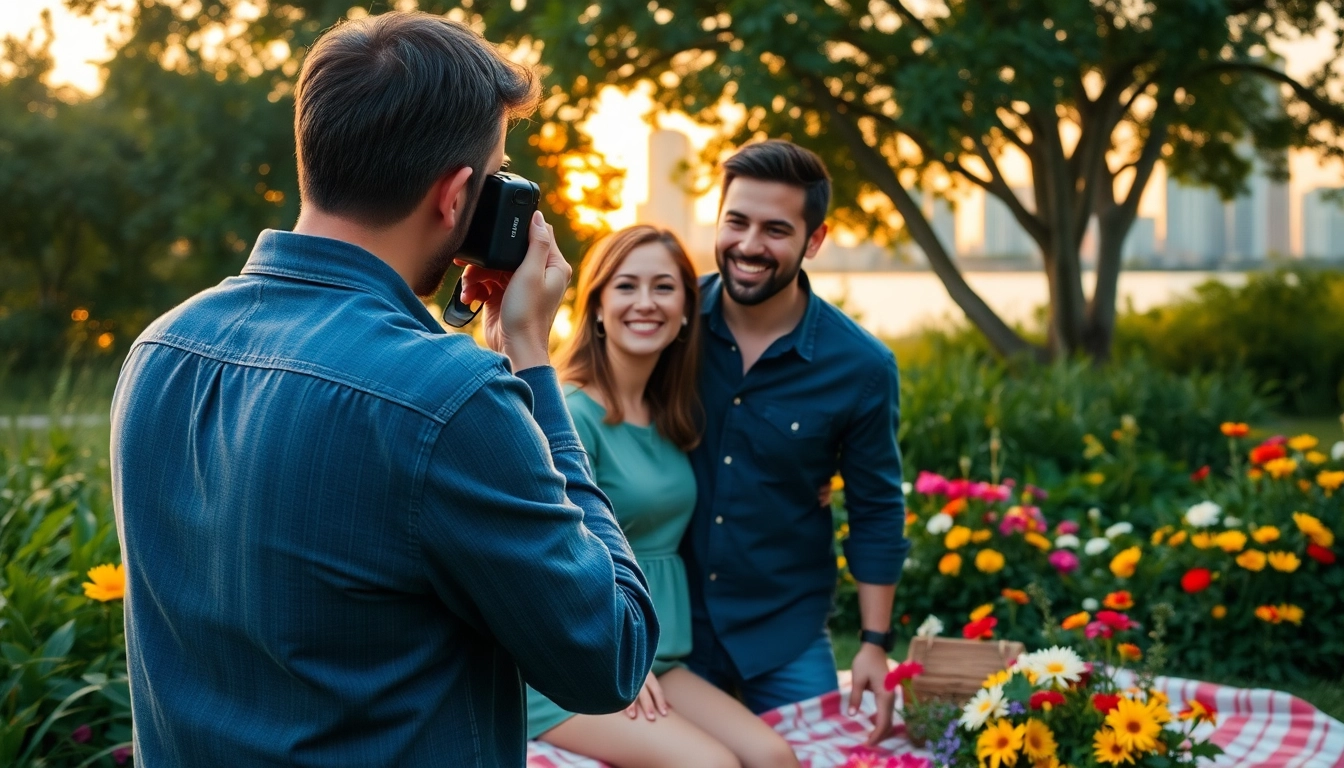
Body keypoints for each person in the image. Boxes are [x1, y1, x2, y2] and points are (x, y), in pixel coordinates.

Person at [109, 12, 657, 767]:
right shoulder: (451, 397)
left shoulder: (159, 347)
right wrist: (530, 357)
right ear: (456, 194)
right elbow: (609, 656)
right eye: (495, 173)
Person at [528, 226, 800, 768]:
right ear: (598, 306)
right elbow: (555, 557)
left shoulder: (669, 415)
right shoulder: (572, 413)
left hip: (661, 658)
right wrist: (611, 657)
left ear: (684, 314)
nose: (646, 303)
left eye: (664, 288)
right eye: (626, 287)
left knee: (773, 757)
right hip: (578, 666)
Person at [682, 140, 911, 745]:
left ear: (814, 240)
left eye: (776, 229)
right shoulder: (668, 325)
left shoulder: (859, 367)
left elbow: (877, 509)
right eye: (737, 221)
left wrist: (873, 645)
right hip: (670, 627)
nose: (750, 245)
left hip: (781, 630)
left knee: (830, 756)